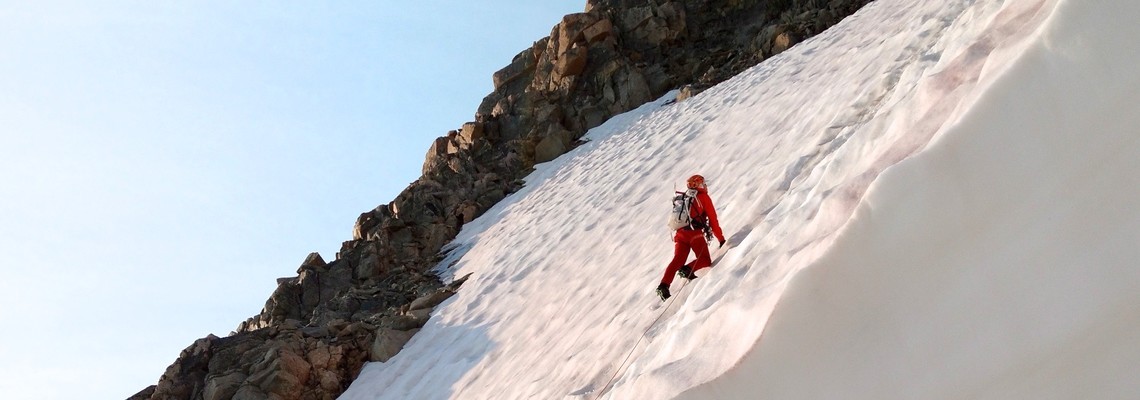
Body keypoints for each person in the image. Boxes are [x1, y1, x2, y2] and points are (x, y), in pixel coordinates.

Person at [657, 174, 725, 300]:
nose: (704, 186)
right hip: (694, 234)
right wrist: (721, 240)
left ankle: (664, 285)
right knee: (705, 260)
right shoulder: (703, 197)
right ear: (699, 185)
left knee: (678, 259)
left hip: (680, 234)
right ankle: (687, 269)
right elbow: (713, 221)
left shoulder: (685, 198)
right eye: (703, 183)